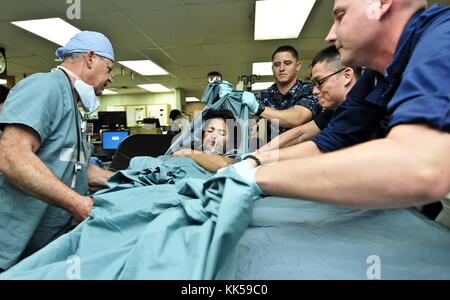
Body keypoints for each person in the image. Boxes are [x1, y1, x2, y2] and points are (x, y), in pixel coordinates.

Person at [235, 0, 450, 210]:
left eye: (340, 16)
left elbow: (422, 167)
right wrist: (257, 158)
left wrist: (258, 177)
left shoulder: (442, 38)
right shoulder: (375, 78)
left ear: (383, 4)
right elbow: (325, 145)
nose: (330, 35)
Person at [0, 31, 116, 271]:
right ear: (91, 58)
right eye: (110, 69)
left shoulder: (73, 110)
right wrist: (78, 204)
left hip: (44, 247)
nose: (111, 78)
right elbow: (12, 156)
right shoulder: (45, 86)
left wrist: (126, 181)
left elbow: (79, 166)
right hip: (12, 246)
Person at [258, 45, 359, 154]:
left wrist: (260, 158)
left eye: (319, 82)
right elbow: (300, 134)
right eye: (277, 64)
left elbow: (314, 146)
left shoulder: (363, 110)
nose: (315, 91)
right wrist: (259, 153)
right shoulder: (334, 112)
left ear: (347, 76)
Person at [242, 45, 320, 138]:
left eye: (287, 63)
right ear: (272, 69)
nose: (281, 68)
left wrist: (259, 109)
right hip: (272, 151)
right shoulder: (264, 95)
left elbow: (299, 117)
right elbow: (242, 121)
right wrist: (231, 97)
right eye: (277, 64)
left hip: (305, 151)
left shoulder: (310, 90)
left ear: (297, 66)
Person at [172, 109, 237, 172]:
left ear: (229, 142)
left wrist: (187, 153)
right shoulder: (191, 147)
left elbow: (224, 164)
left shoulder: (235, 159)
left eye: (222, 133)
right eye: (210, 131)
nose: (214, 136)